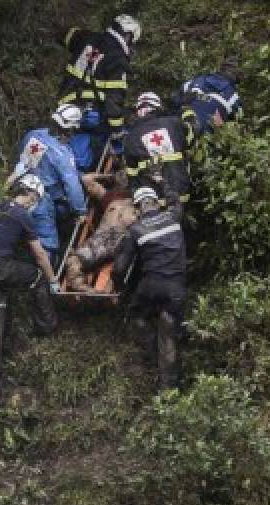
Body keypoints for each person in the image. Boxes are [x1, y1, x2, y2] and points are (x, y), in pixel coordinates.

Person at [0, 174, 60, 402]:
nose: (35, 203)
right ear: (30, 195)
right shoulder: (22, 215)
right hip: (1, 269)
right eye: (36, 199)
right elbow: (39, 254)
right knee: (37, 277)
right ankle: (48, 327)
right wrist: (52, 279)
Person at [114, 179, 187, 390]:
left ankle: (149, 349)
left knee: (136, 315)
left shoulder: (135, 230)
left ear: (137, 208)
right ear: (157, 202)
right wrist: (163, 182)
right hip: (176, 288)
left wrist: (121, 288)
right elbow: (176, 201)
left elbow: (120, 268)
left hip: (151, 287)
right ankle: (168, 388)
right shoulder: (174, 217)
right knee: (169, 334)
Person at [58, 14, 142, 170]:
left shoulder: (86, 37)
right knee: (104, 140)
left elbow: (65, 34)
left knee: (69, 139)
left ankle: (66, 165)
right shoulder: (118, 59)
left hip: (65, 104)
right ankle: (87, 173)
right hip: (91, 114)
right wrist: (117, 131)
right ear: (128, 36)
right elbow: (114, 99)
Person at [8, 104, 88, 263]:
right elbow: (72, 187)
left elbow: (26, 164)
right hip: (44, 202)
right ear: (71, 129)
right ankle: (45, 278)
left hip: (20, 193)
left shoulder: (35, 136)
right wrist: (80, 211)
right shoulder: (62, 153)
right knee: (47, 244)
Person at [64, 169, 138, 292]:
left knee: (122, 265)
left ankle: (112, 289)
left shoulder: (139, 198)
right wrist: (109, 176)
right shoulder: (109, 196)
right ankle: (85, 289)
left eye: (126, 175)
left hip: (122, 240)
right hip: (100, 240)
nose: (123, 176)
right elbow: (86, 179)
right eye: (121, 174)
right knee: (73, 261)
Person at [123, 92, 193, 203]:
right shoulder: (174, 123)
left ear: (138, 111)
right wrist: (187, 111)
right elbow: (192, 134)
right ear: (158, 107)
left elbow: (132, 175)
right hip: (180, 193)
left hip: (153, 199)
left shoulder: (131, 136)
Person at [175, 56, 243, 138]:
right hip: (201, 137)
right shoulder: (233, 98)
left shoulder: (195, 81)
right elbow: (234, 126)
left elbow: (175, 101)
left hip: (174, 129)